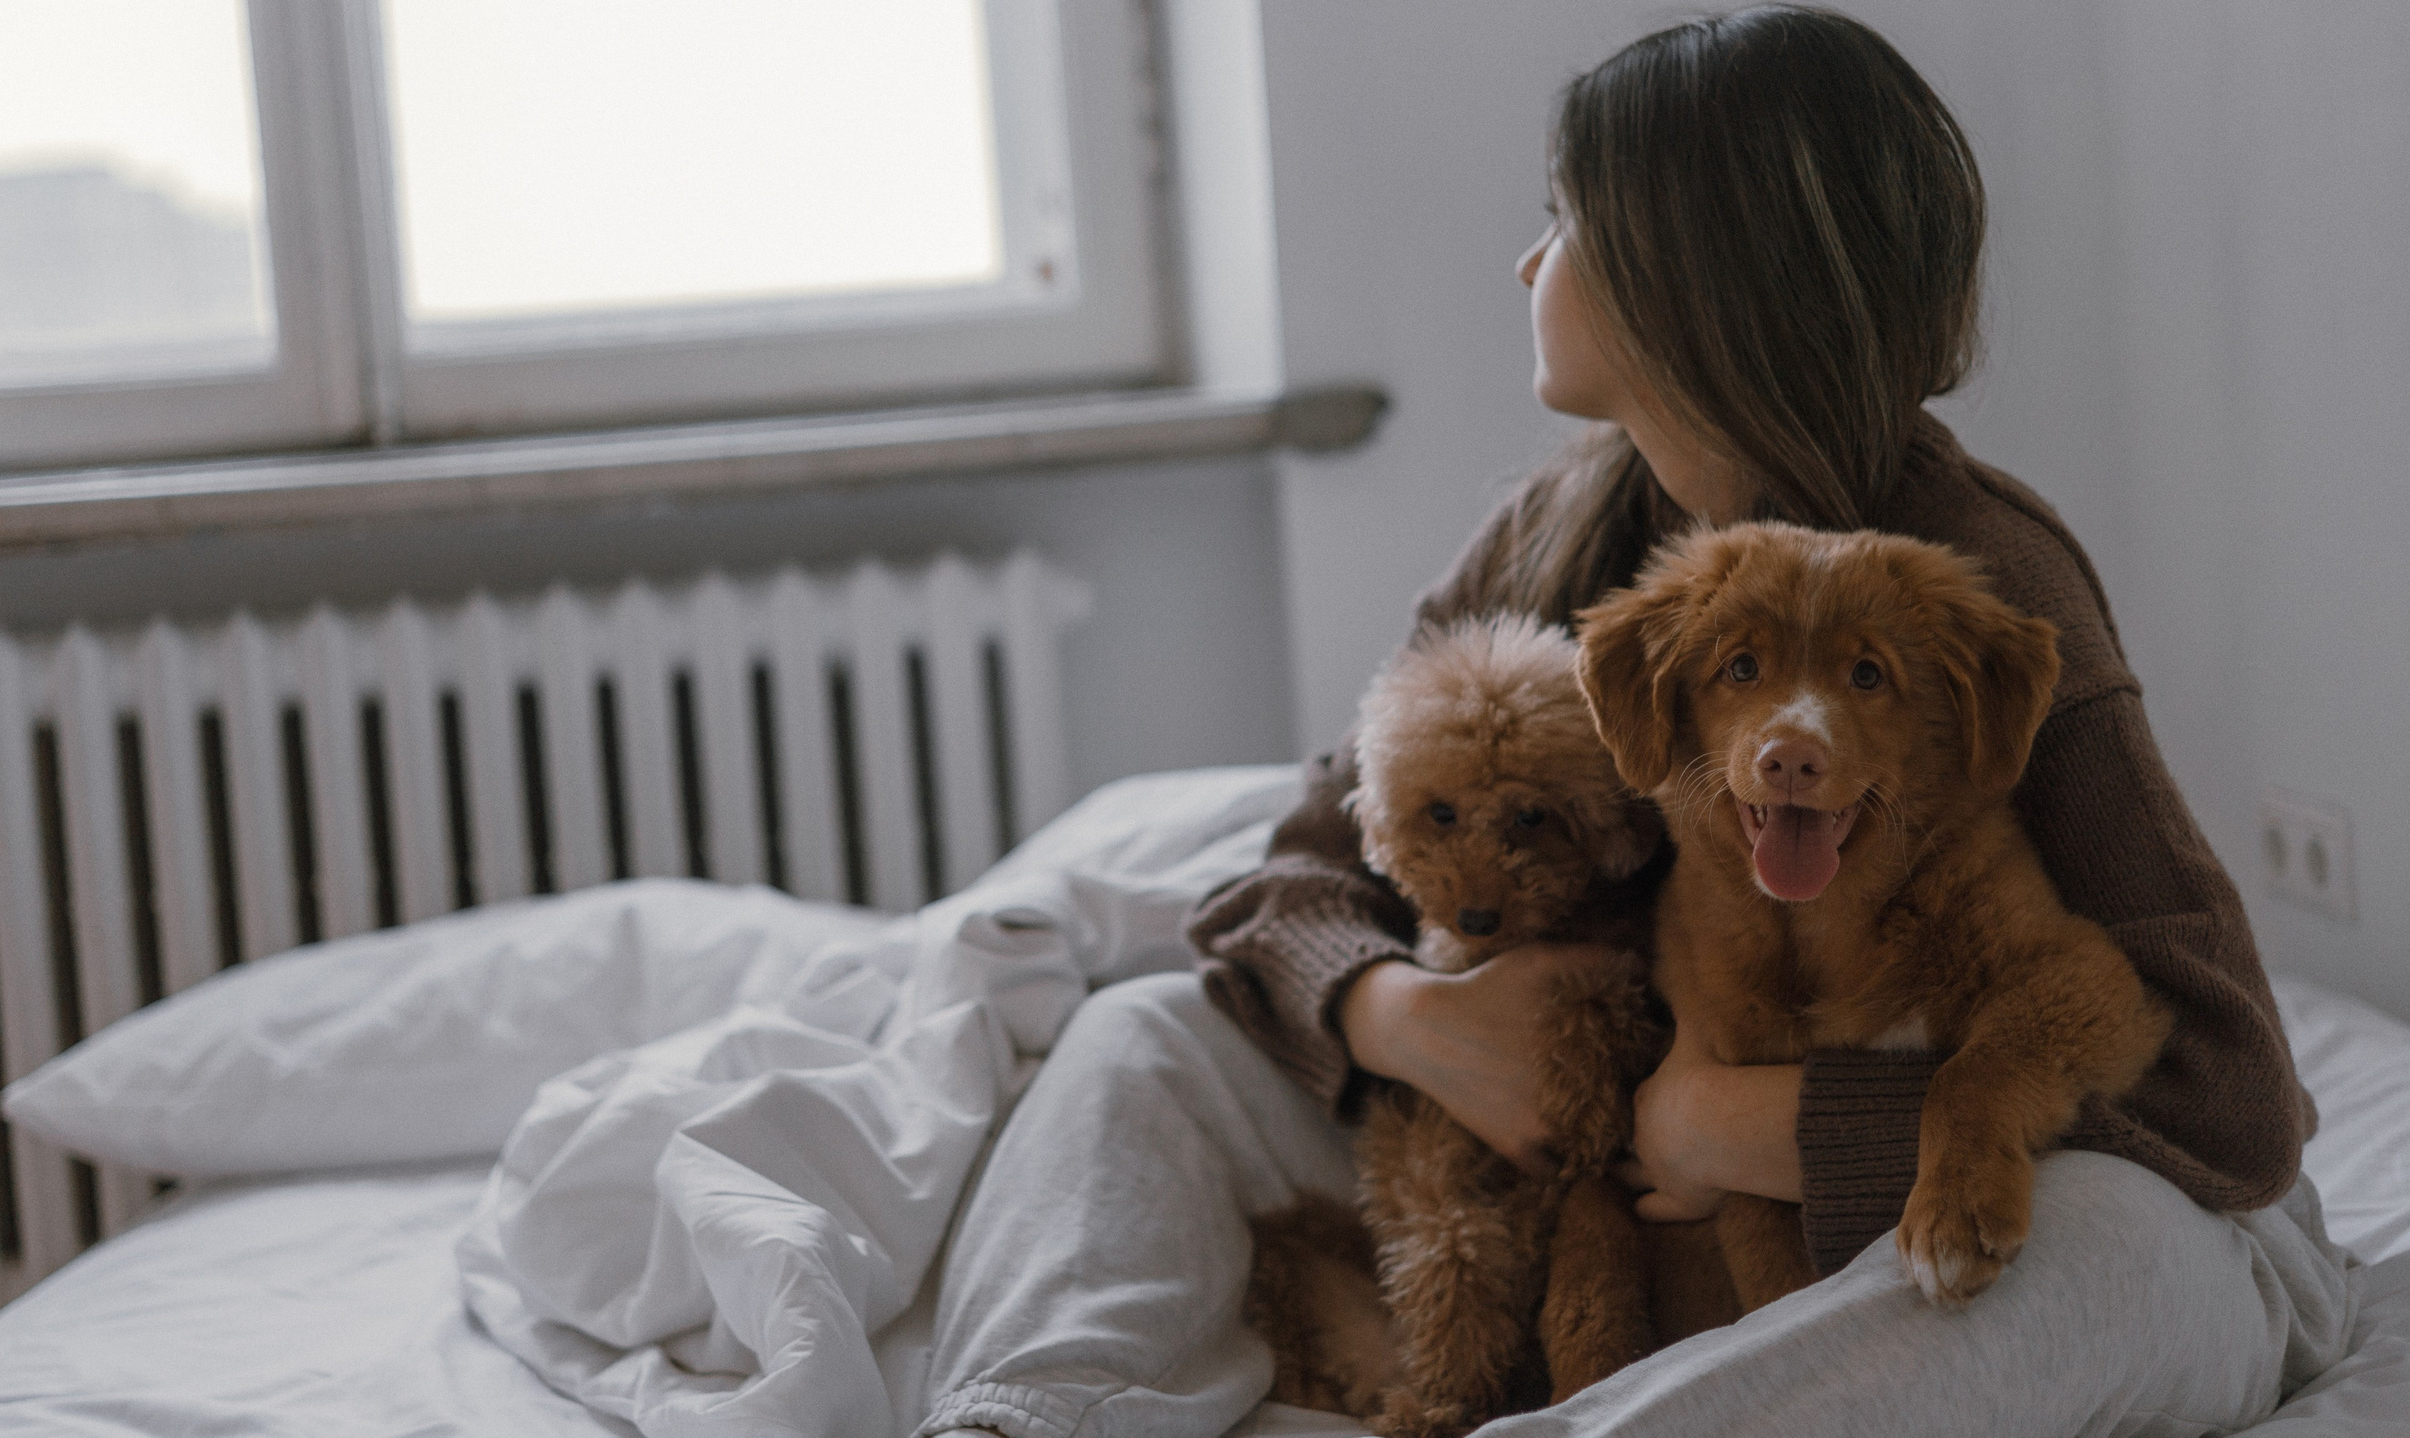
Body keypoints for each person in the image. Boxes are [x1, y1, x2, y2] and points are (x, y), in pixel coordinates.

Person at [920, 9, 2360, 1437]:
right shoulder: (1554, 534)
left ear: (1692, 283)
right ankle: (1020, 1418)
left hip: (1976, 1184)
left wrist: (1732, 1122)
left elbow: (2231, 1098)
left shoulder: (1981, 577)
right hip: (1617, 1178)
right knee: (1143, 1035)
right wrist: (1412, 1022)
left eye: (1564, 220)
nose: (1526, 261)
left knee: (2119, 1246)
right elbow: (1293, 875)